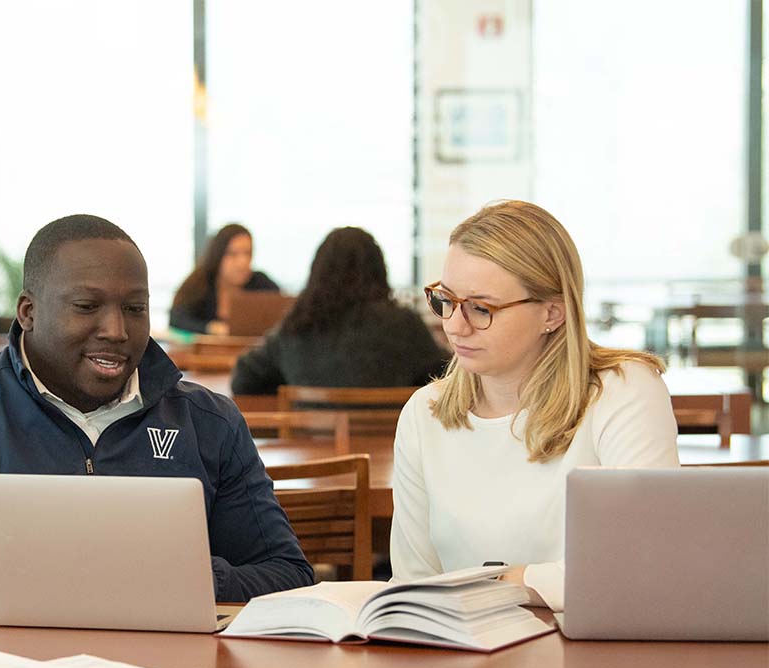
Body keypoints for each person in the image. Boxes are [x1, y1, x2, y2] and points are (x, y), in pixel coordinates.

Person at [0, 214, 314, 604]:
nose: (116, 330)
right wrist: (32, 566)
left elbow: (287, 574)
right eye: (87, 307)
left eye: (134, 309)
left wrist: (179, 574)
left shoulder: (209, 423)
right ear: (29, 312)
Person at [390, 201, 679, 612]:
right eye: (446, 300)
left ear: (553, 313)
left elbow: (648, 561)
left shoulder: (623, 390)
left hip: (591, 648)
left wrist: (507, 582)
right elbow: (413, 584)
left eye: (481, 308)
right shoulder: (425, 412)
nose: (453, 325)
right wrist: (535, 581)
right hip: (464, 648)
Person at [230, 226, 448, 395]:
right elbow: (448, 375)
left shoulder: (298, 327)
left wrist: (290, 382)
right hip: (390, 440)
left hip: (310, 440)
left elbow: (243, 379)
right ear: (379, 271)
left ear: (317, 273)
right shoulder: (404, 325)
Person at [169, 224, 280, 335]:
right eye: (232, 254)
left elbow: (284, 312)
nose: (242, 262)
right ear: (218, 254)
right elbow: (176, 319)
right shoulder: (200, 282)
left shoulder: (261, 283)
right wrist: (210, 328)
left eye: (248, 253)